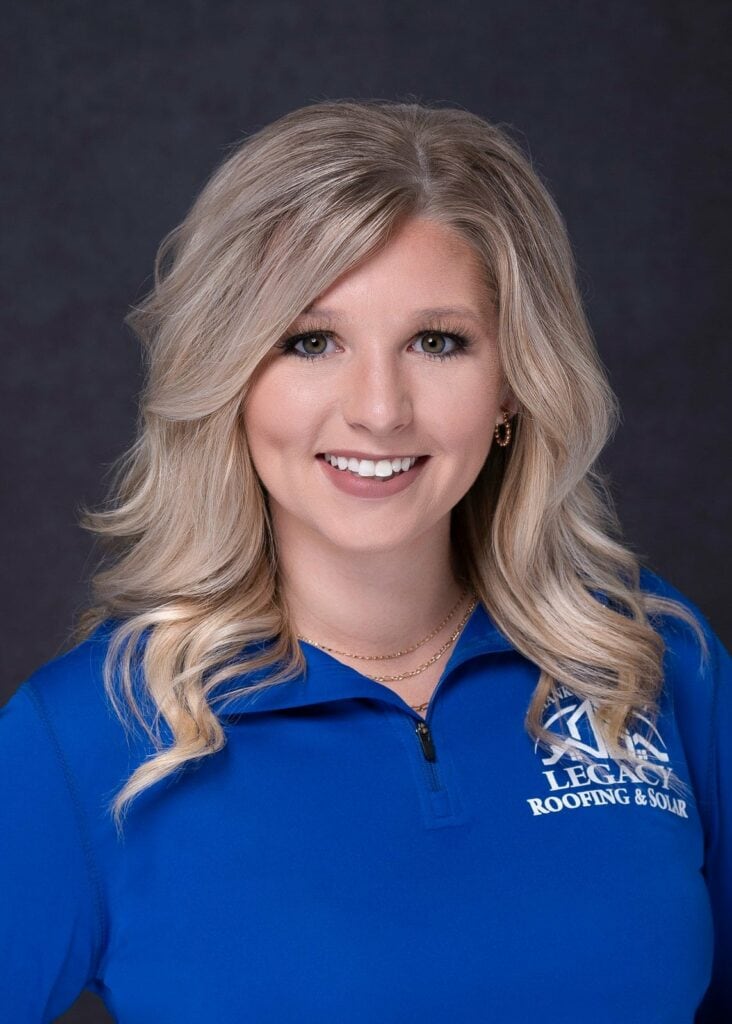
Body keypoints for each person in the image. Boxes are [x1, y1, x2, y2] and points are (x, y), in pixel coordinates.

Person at [0, 99, 728, 1023]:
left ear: (512, 383)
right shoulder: (89, 734)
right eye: (311, 342)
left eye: (438, 342)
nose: (379, 409)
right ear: (231, 377)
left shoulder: (651, 660)